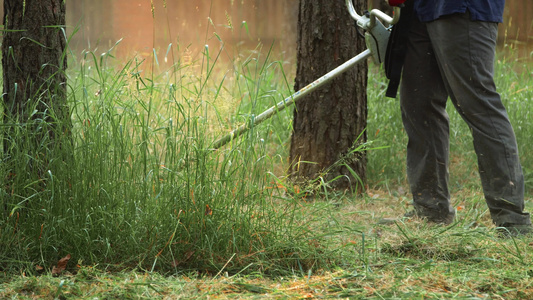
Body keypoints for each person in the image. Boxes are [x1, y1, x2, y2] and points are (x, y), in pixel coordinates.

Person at [387, 0, 531, 235]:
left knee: (478, 104)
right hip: (420, 9)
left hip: (462, 7)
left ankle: (512, 219)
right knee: (419, 104)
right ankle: (430, 209)